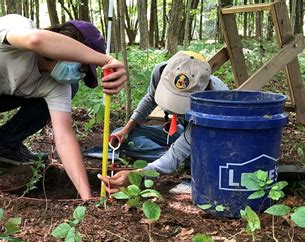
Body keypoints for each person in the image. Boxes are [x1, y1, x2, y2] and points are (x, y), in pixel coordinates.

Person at [0, 14, 127, 200]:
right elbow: (36, 40)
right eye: (82, 66)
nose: (79, 74)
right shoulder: (18, 27)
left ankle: (1, 146)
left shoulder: (57, 84)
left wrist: (86, 196)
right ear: (69, 46)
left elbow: (64, 136)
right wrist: (106, 60)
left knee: (69, 89)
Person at [98, 51, 228, 194]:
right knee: (120, 134)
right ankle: (175, 161)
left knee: (194, 154)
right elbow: (149, 99)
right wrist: (127, 130)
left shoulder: (216, 102)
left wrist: (138, 175)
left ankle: (179, 161)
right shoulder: (161, 72)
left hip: (203, 141)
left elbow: (183, 146)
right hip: (179, 132)